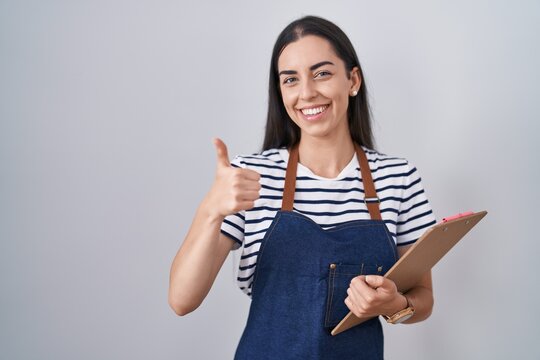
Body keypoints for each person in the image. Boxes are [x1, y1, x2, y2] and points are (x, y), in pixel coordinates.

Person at [168, 15, 437, 359]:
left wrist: (394, 304)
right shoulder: (251, 175)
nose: (307, 92)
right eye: (291, 80)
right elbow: (181, 300)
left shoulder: (399, 178)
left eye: (322, 73)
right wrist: (211, 210)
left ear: (352, 80)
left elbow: (424, 298)